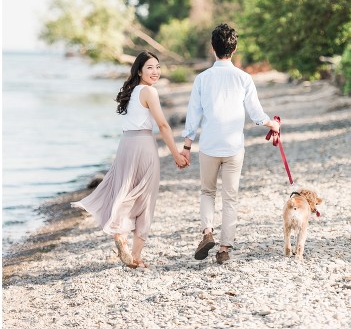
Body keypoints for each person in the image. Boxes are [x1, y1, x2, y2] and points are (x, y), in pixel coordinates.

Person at [72, 51, 189, 269]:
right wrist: (176, 154)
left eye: (158, 67)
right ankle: (135, 255)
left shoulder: (131, 91)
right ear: (139, 71)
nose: (155, 72)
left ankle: (120, 233)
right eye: (150, 68)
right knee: (145, 197)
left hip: (125, 145)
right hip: (143, 145)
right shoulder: (149, 92)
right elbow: (163, 125)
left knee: (125, 189)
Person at [181, 23, 280, 264]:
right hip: (234, 147)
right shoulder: (244, 78)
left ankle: (207, 232)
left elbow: (193, 115)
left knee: (207, 192)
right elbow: (256, 114)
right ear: (234, 49)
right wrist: (272, 125)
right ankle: (224, 249)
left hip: (209, 146)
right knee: (230, 197)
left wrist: (186, 146)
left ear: (213, 49)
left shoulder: (202, 79)